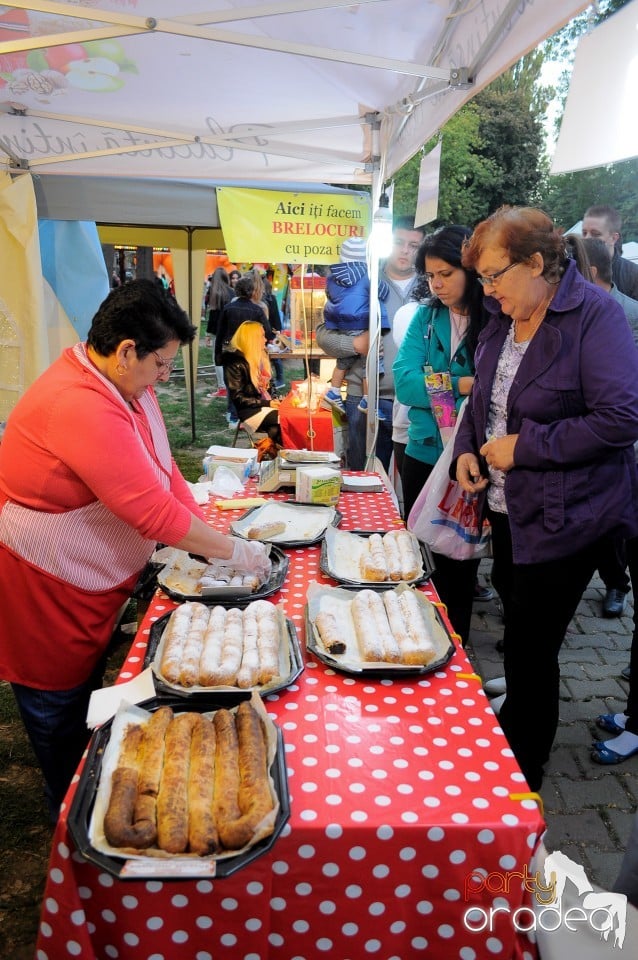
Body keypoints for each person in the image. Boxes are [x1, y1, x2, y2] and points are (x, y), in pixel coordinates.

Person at [0, 279, 271, 820]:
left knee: (88, 687)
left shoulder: (123, 385)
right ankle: (72, 816)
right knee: (57, 704)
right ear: (127, 352)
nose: (164, 377)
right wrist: (235, 553)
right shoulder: (78, 404)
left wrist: (209, 538)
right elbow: (149, 511)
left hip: (95, 576)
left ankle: (86, 780)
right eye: (163, 365)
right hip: (47, 584)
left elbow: (165, 472)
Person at [452, 205, 638, 792]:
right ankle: (516, 737)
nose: (487, 290)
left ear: (536, 263)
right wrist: (468, 447)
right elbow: (486, 394)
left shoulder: (596, 316)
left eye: (494, 276)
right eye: (480, 278)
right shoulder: (503, 315)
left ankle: (521, 779)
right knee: (521, 630)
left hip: (569, 516)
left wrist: (526, 447)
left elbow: (621, 418)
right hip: (511, 510)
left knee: (534, 649)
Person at [393, 225, 488, 644]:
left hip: (470, 456)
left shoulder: (495, 318)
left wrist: (438, 380)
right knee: (419, 553)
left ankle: (456, 646)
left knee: (460, 561)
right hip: (423, 450)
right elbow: (405, 384)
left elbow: (494, 386)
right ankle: (418, 639)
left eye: (447, 273)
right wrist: (461, 383)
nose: (438, 284)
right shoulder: (426, 318)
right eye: (431, 276)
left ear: (469, 268)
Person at [316, 215, 426, 470]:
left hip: (416, 401)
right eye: (399, 242)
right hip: (364, 397)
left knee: (411, 481)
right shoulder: (362, 280)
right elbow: (323, 334)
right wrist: (354, 345)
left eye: (414, 245)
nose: (405, 251)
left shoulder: (432, 285)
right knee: (361, 476)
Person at [566, 235, 634, 618]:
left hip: (615, 440)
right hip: (581, 440)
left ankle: (616, 584)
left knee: (611, 531)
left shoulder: (623, 311)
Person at [321, 236, 390, 418]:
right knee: (371, 360)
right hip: (361, 321)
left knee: (345, 360)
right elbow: (382, 291)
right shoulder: (367, 275)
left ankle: (334, 392)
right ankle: (368, 400)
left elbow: (330, 296)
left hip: (341, 322)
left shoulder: (332, 279)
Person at [216, 273, 274, 428]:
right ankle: (244, 415)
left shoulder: (228, 308)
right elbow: (268, 332)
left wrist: (218, 356)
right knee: (247, 384)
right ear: (252, 291)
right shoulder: (257, 310)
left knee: (233, 385)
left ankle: (233, 415)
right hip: (251, 352)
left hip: (231, 350)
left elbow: (219, 333)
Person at [221, 320, 282, 444]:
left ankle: (275, 455)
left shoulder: (260, 358)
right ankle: (280, 454)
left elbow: (271, 386)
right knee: (284, 420)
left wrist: (275, 400)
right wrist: (268, 403)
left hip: (262, 406)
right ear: (252, 339)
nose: (265, 339)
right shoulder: (234, 362)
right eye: (262, 336)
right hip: (249, 411)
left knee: (277, 428)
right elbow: (238, 398)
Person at [582, 205, 638, 300]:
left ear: (613, 238)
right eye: (584, 233)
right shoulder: (573, 268)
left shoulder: (633, 274)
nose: (587, 238)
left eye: (595, 234)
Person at [205, 266, 233, 398]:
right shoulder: (232, 292)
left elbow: (213, 316)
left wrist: (208, 334)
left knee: (217, 359)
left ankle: (222, 388)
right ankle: (229, 386)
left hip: (219, 332)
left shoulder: (214, 293)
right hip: (232, 331)